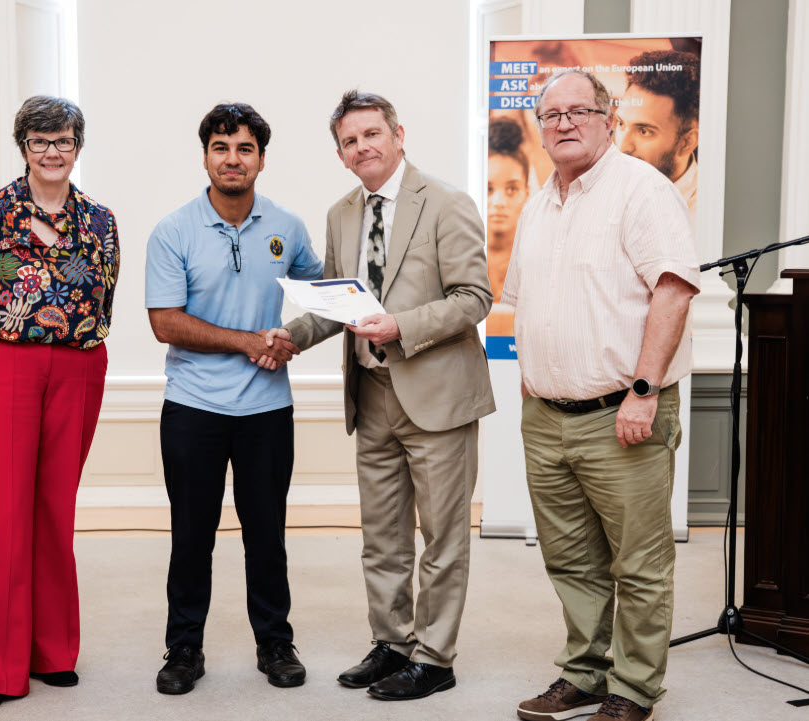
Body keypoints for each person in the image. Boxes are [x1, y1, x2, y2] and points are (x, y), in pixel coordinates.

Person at [267, 90, 495, 701]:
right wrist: (286, 336)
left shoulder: (446, 202)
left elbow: (475, 298)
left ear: (398, 134)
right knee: (383, 535)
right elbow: (337, 305)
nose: (362, 146)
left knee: (442, 536)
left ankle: (436, 656)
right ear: (340, 154)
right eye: (349, 140)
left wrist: (402, 326)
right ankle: (392, 643)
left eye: (372, 134)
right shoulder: (342, 213)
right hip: (370, 395)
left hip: (438, 395)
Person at [504, 70, 699, 721]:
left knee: (638, 564)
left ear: (606, 118)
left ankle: (633, 688)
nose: (562, 123)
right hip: (546, 416)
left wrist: (642, 391)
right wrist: (533, 375)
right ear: (538, 125)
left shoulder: (640, 191)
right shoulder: (537, 204)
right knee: (572, 560)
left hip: (622, 412)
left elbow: (671, 290)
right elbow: (523, 302)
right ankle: (584, 672)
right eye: (550, 114)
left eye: (577, 111)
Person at [0, 95, 120, 710]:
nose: (53, 151)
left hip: (77, 367)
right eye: (41, 141)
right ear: (23, 147)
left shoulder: (99, 220)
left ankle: (52, 652)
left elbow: (105, 295)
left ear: (77, 146)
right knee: (3, 515)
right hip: (5, 363)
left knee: (53, 510)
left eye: (64, 140)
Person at [145, 103, 323, 695]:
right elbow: (166, 323)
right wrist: (249, 341)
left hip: (267, 410)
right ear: (205, 156)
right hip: (193, 407)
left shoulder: (287, 226)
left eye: (244, 149)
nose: (232, 159)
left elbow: (321, 295)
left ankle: (275, 642)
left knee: (266, 535)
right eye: (221, 147)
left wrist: (290, 337)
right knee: (191, 535)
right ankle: (184, 648)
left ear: (261, 160)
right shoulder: (174, 230)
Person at [615, 49, 700, 225]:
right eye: (621, 123)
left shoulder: (701, 217)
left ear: (686, 143)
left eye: (644, 131)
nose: (623, 148)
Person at [486, 117, 530, 336]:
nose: (499, 202)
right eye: (489, 189)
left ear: (526, 193)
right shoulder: (461, 259)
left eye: (511, 189)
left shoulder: (536, 258)